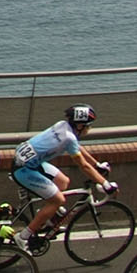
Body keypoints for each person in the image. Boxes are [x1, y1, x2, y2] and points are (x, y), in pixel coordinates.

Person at [14, 104, 113, 251]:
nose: (90, 128)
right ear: (79, 126)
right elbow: (83, 166)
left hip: (29, 162)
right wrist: (105, 184)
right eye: (88, 125)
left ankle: (46, 214)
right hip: (24, 170)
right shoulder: (69, 138)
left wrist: (97, 165)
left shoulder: (62, 126)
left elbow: (77, 147)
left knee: (63, 182)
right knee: (58, 200)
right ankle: (22, 237)